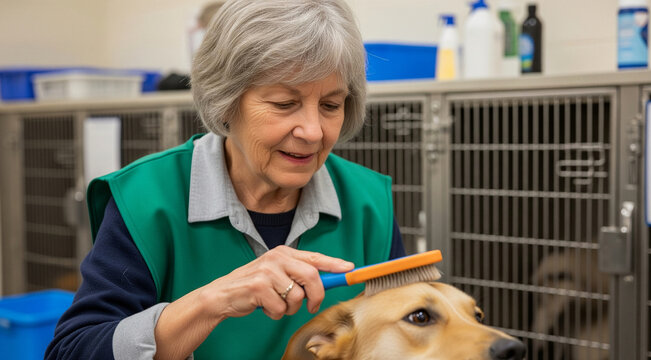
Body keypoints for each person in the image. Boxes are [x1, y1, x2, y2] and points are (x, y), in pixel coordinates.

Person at [46, 0, 406, 359]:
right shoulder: (147, 198)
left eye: (330, 106)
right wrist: (213, 302)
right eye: (284, 103)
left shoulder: (368, 202)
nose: (313, 132)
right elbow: (72, 351)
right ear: (225, 101)